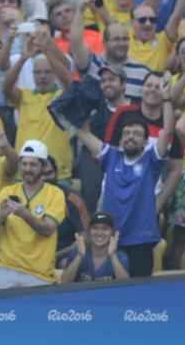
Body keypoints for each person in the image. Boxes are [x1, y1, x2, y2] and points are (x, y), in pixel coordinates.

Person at [73, 101, 176, 278]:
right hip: (111, 239)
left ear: (145, 142)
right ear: (120, 139)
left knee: (140, 296)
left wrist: (166, 100)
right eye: (126, 133)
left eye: (137, 134)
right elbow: (83, 134)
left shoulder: (151, 160)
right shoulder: (111, 156)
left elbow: (167, 131)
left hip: (141, 241)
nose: (130, 137)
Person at [0, 140, 67, 289]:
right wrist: (1, 216)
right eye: (24, 164)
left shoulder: (55, 194)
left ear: (43, 166)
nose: (28, 169)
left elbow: (48, 229)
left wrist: (23, 213)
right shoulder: (7, 192)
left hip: (39, 275)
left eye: (33, 165)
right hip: (7, 269)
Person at [59, 212, 130, 283]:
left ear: (112, 233)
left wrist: (113, 256)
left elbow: (126, 285)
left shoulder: (120, 256)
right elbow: (64, 282)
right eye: (95, 228)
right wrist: (79, 256)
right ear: (89, 232)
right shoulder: (77, 252)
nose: (99, 233)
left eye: (105, 229)